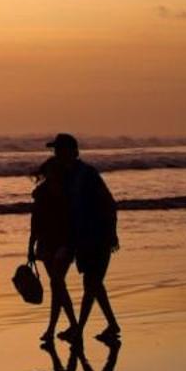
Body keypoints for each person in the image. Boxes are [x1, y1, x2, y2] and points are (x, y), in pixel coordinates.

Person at [47, 132, 120, 343]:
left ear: (71, 152)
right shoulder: (68, 176)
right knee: (94, 283)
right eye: (55, 150)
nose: (56, 153)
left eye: (59, 149)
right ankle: (112, 325)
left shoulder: (87, 174)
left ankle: (79, 329)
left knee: (91, 284)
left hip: (98, 236)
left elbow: (109, 203)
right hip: (83, 238)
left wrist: (112, 233)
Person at [26, 156, 78, 347]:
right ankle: (56, 328)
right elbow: (35, 222)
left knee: (57, 283)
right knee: (57, 285)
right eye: (50, 172)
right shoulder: (42, 193)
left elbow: (71, 221)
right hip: (47, 243)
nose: (52, 175)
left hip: (63, 243)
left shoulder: (67, 193)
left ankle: (70, 326)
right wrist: (30, 246)